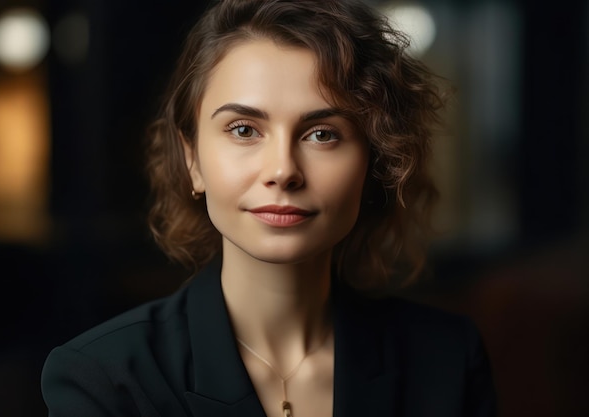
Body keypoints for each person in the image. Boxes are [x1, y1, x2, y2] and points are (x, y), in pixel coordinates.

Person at [41, 0, 497, 416]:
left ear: (374, 162)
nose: (283, 171)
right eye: (243, 130)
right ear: (192, 159)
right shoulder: (103, 378)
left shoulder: (446, 361)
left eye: (322, 134)